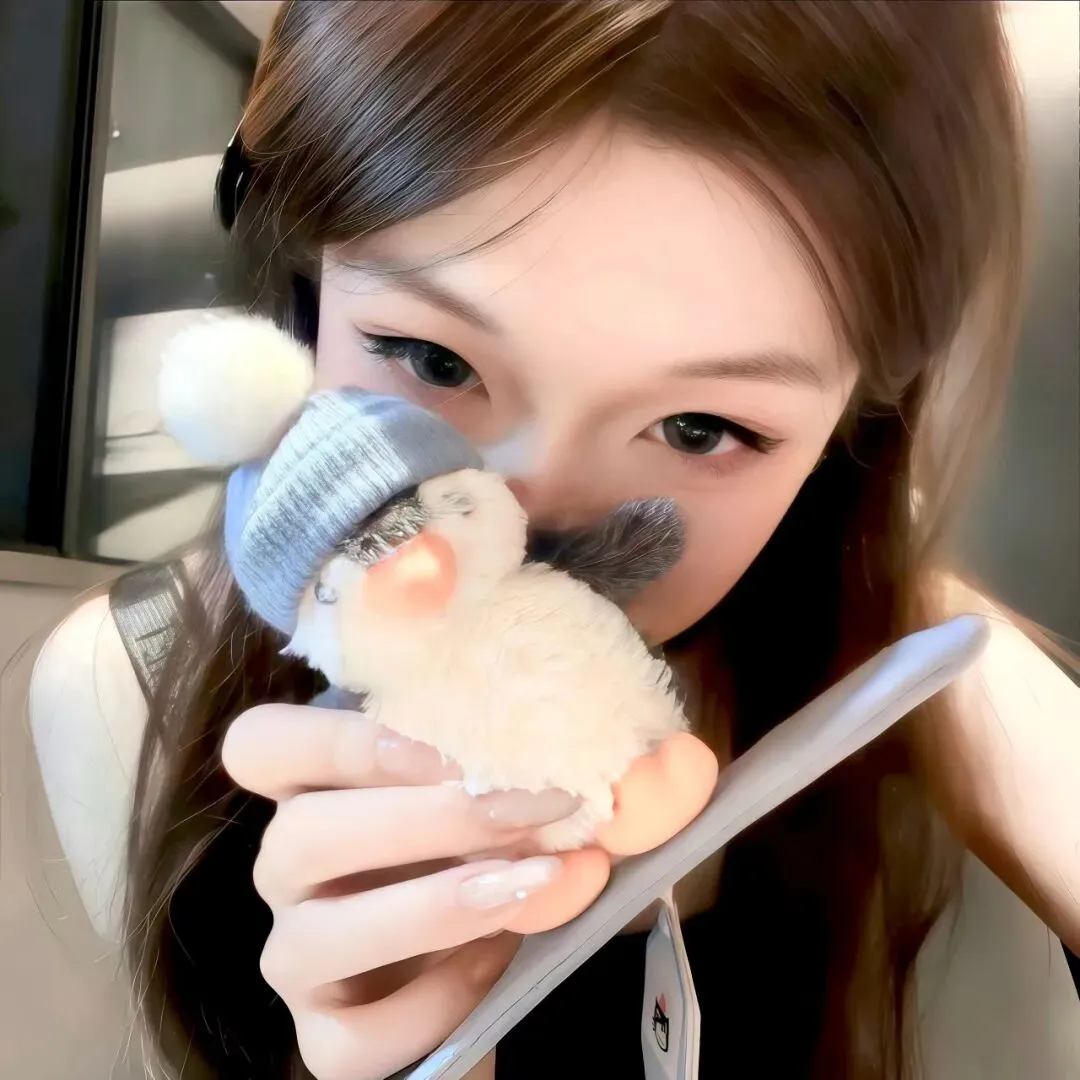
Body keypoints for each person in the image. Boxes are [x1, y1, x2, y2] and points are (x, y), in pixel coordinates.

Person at [28, 3, 1080, 1079]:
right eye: (434, 361)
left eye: (700, 428)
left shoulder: (938, 697)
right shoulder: (129, 688)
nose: (527, 526)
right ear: (304, 293)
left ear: (845, 434)